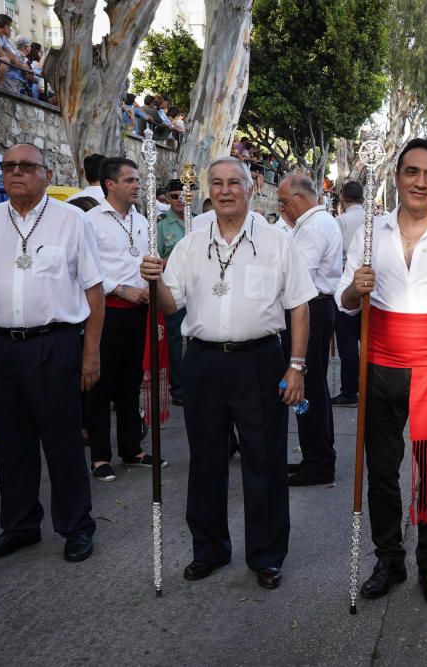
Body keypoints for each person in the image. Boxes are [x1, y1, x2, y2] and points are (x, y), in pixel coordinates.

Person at [140, 156, 316, 589]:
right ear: (208, 190)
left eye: (233, 183)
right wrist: (154, 281)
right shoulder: (190, 243)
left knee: (265, 460)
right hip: (203, 362)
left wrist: (296, 367)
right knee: (206, 460)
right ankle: (210, 549)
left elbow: (299, 306)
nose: (224, 191)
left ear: (250, 188)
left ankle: (267, 555)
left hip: (260, 361)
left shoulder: (277, 242)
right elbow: (170, 305)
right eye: (216, 183)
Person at [338, 137, 427, 607]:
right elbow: (343, 298)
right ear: (397, 177)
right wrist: (354, 289)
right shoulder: (368, 232)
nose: (421, 181)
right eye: (412, 172)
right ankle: (388, 558)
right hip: (380, 364)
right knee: (381, 469)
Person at [0, 143, 101, 563]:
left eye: (26, 167)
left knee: (62, 441)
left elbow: (93, 290)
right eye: (9, 166)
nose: (16, 173)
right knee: (10, 442)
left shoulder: (72, 222)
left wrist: (91, 353)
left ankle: (76, 527)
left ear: (46, 174)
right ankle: (20, 525)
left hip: (53, 343)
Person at [83, 158, 163, 481]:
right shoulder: (90, 221)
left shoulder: (142, 221)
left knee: (131, 383)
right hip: (107, 312)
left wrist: (147, 289)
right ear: (110, 184)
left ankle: (132, 449)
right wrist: (120, 289)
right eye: (130, 180)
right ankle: (100, 456)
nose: (136, 186)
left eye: (137, 180)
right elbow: (86, 269)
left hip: (139, 313)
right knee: (100, 386)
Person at [276, 173, 343, 486]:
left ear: (301, 199)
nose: (282, 207)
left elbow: (298, 274)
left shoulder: (314, 226)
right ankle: (315, 454)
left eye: (285, 201)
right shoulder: (313, 223)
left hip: (310, 308)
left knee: (306, 385)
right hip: (312, 306)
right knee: (313, 386)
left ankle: (318, 462)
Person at [332, 180, 367, 407]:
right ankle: (368, 387)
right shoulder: (375, 220)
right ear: (363, 199)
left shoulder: (340, 222)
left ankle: (350, 391)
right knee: (368, 342)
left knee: (347, 345)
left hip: (348, 285)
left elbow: (334, 254)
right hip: (371, 286)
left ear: (343, 199)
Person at [157, 179, 190, 406]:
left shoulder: (199, 222)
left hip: (199, 290)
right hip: (175, 291)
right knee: (176, 340)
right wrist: (174, 261)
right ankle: (178, 388)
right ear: (168, 198)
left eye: (184, 196)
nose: (180, 200)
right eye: (175, 196)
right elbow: (156, 260)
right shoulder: (161, 226)